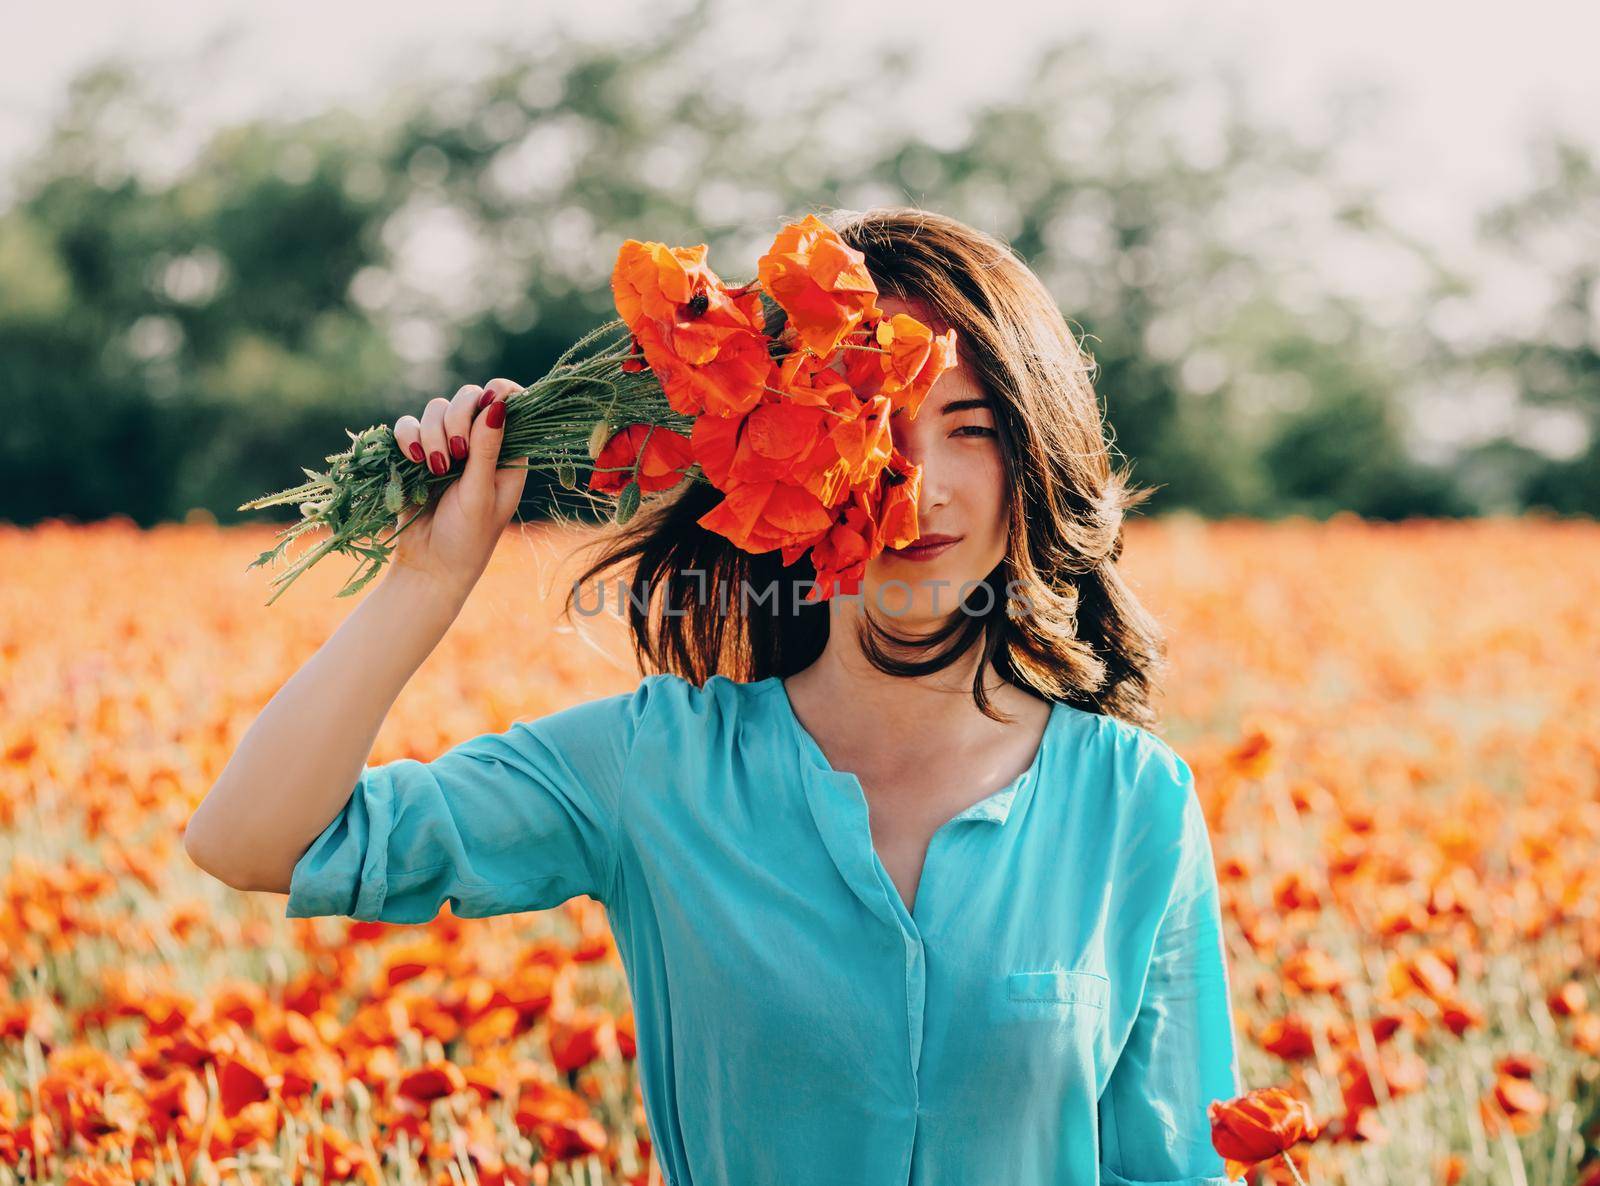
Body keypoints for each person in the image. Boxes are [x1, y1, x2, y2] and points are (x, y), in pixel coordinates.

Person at [184, 206, 1245, 1186]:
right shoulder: (660, 768)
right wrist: (428, 578)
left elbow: (1172, 1167)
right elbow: (252, 841)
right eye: (874, 421)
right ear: (775, 455)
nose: (917, 482)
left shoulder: (1130, 802)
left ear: (1035, 460)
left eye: (971, 428)